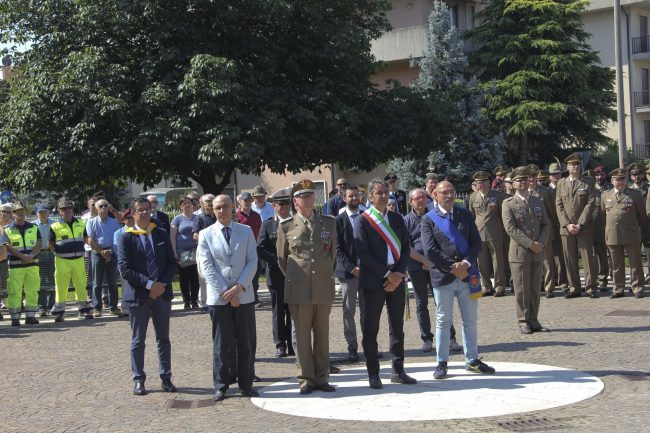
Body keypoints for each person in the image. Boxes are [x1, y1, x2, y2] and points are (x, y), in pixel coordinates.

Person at [421, 180, 495, 379]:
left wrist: (465, 264)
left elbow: (476, 244)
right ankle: (441, 362)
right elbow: (430, 250)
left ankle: (472, 359)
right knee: (443, 321)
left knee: (470, 320)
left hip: (467, 276)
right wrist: (453, 267)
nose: (450, 196)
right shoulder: (428, 219)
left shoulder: (465, 214)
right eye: (445, 192)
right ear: (435, 195)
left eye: (452, 192)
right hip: (443, 277)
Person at [354, 178, 416, 390]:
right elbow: (363, 253)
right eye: (379, 193)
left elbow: (406, 248)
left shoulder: (397, 219)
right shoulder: (363, 221)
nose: (384, 196)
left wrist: (398, 273)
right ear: (370, 197)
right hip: (373, 281)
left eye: (386, 192)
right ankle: (373, 374)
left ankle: (398, 370)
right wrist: (388, 274)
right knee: (370, 328)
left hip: (397, 278)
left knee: (397, 327)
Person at [277, 179, 337, 395]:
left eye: (311, 195)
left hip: (322, 287)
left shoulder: (328, 223)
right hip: (299, 289)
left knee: (322, 335)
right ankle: (305, 378)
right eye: (303, 197)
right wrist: (297, 278)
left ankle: (322, 377)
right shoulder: (286, 227)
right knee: (302, 337)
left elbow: (332, 256)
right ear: (295, 201)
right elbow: (282, 260)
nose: (309, 199)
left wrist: (323, 275)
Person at [198, 195, 259, 401]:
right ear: (212, 210)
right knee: (221, 344)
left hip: (244, 295)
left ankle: (246, 383)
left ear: (233, 207)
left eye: (225, 206)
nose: (221, 211)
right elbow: (206, 267)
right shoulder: (206, 234)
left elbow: (252, 261)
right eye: (217, 208)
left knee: (245, 342)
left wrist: (239, 288)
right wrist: (227, 291)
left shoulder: (246, 231)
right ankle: (221, 385)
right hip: (219, 298)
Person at [118, 197, 177, 396]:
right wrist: (150, 285)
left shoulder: (160, 233)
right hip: (138, 295)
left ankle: (166, 377)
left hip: (161, 294)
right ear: (132, 213)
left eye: (147, 209)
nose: (144, 213)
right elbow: (125, 269)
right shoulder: (126, 237)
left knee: (163, 339)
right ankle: (138, 379)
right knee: (138, 340)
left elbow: (171, 262)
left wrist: (161, 285)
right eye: (140, 210)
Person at [405, 188, 461, 353]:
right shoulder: (406, 220)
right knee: (421, 303)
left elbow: (443, 241)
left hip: (437, 265)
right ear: (411, 202)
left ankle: (450, 338)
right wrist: (423, 261)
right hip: (416, 266)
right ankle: (427, 339)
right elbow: (405, 246)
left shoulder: (435, 216)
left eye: (423, 197)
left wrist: (433, 261)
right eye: (417, 198)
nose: (420, 200)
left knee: (442, 302)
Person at [502, 167, 550, 334]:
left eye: (525, 179)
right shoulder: (508, 204)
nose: (523, 182)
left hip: (537, 251)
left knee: (535, 288)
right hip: (520, 252)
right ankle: (523, 321)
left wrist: (541, 243)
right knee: (522, 288)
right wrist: (530, 244)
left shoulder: (537, 200)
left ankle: (534, 320)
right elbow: (510, 229)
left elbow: (545, 224)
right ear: (513, 184)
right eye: (519, 180)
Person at [555, 153, 599, 298]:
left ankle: (591, 288)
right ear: (567, 167)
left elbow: (591, 203)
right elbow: (559, 205)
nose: (575, 167)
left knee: (587, 257)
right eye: (572, 164)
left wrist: (580, 223)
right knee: (570, 258)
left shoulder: (588, 182)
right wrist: (567, 224)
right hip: (567, 228)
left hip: (584, 226)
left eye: (578, 164)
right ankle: (574, 288)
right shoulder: (561, 183)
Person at [257, 188, 294, 358]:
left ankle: (293, 342)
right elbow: (261, 248)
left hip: (295, 275)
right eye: (281, 204)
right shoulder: (268, 224)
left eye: (287, 204)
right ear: (274, 205)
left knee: (293, 310)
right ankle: (280, 344)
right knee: (279, 311)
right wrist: (278, 260)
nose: (284, 207)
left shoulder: (297, 223)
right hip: (277, 274)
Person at [602, 169, 646, 299]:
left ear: (625, 180)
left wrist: (633, 226)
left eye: (622, 179)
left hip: (631, 233)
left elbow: (641, 215)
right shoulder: (605, 195)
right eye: (617, 179)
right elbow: (603, 213)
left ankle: (637, 288)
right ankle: (618, 289)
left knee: (635, 263)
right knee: (616, 265)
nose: (619, 182)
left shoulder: (635, 194)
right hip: (613, 234)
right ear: (612, 181)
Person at [49, 197, 94, 322]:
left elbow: (86, 238)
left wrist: (96, 246)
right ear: (60, 211)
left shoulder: (81, 223)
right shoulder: (54, 226)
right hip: (62, 260)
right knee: (61, 286)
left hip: (79, 259)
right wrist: (56, 254)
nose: (67, 211)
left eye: (69, 208)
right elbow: (51, 243)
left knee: (81, 285)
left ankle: (84, 310)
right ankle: (59, 313)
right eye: (64, 209)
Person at [2, 202, 42, 326]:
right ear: (13, 215)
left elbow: (39, 243)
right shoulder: (7, 230)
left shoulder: (34, 227)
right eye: (18, 214)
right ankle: (15, 318)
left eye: (23, 214)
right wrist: (22, 256)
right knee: (15, 292)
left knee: (32, 290)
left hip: (32, 264)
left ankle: (30, 316)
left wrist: (30, 256)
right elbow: (7, 246)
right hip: (15, 266)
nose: (21, 216)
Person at [335, 185, 363, 362]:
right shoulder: (338, 220)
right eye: (350, 196)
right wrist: (352, 268)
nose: (354, 198)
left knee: (369, 310)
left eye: (356, 195)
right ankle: (352, 346)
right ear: (344, 198)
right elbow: (337, 248)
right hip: (348, 272)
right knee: (348, 311)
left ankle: (370, 346)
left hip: (368, 272)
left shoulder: (366, 216)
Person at [468, 171, 507, 297]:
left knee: (498, 261)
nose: (482, 185)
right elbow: (471, 216)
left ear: (489, 183)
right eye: (479, 183)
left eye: (484, 182)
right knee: (481, 262)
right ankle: (486, 286)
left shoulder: (497, 196)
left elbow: (503, 216)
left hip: (495, 232)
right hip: (479, 234)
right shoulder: (472, 197)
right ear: (476, 184)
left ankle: (499, 286)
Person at [86, 199, 122, 317]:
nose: (104, 208)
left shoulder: (114, 222)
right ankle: (97, 308)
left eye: (106, 205)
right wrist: (102, 252)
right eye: (101, 206)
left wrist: (110, 251)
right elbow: (90, 240)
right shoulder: (91, 222)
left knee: (113, 281)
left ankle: (114, 307)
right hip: (97, 253)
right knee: (97, 282)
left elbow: (117, 239)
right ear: (96, 208)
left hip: (111, 252)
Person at [170, 198, 199, 309]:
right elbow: (172, 237)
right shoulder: (177, 219)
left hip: (195, 251)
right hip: (181, 253)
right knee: (184, 278)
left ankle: (194, 300)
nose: (187, 205)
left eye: (189, 203)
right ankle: (186, 301)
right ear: (181, 206)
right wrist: (174, 252)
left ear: (193, 205)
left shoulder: (197, 218)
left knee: (195, 277)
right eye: (184, 203)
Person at [236, 192, 263, 304]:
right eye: (245, 200)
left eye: (249, 200)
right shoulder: (236, 216)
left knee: (255, 273)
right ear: (239, 202)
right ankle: (243, 296)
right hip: (242, 248)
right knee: (243, 273)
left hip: (255, 247)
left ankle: (254, 297)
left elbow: (261, 231)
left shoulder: (256, 215)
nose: (247, 202)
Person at [192, 194, 215, 311]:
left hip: (218, 251)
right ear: (201, 203)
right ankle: (204, 303)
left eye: (212, 200)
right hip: (204, 251)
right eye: (207, 201)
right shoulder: (199, 218)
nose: (210, 203)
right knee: (204, 277)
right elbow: (195, 235)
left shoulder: (218, 216)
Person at [547, 162, 568, 290]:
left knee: (563, 255)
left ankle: (564, 281)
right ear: (550, 176)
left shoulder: (566, 187)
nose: (556, 176)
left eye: (558, 173)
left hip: (564, 225)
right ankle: (553, 280)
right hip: (550, 226)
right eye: (553, 174)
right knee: (550, 257)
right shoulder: (546, 190)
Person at [33, 204, 55, 316]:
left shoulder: (54, 224)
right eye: (40, 212)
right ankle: (42, 307)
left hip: (52, 253)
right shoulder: (33, 225)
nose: (43, 214)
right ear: (37, 214)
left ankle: (52, 306)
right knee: (40, 281)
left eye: (45, 212)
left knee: (52, 280)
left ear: (48, 213)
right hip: (39, 254)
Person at [0, 202, 13, 320]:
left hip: (13, 257)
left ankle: (20, 303)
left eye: (6, 212)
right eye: (2, 211)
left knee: (9, 282)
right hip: (2, 259)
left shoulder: (14, 226)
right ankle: (2, 303)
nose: (3, 214)